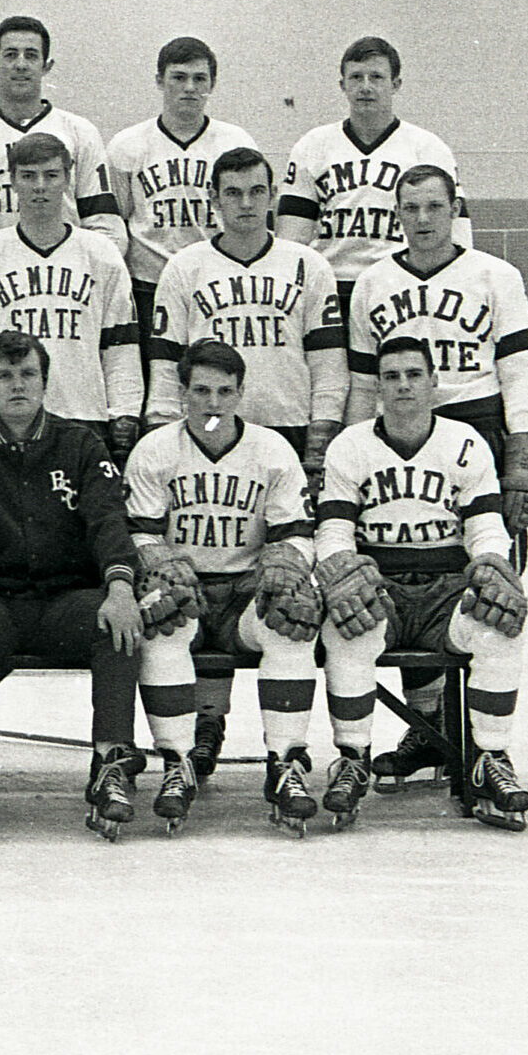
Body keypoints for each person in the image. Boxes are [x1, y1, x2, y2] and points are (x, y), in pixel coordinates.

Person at [0, 329, 144, 842]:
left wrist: (120, 586)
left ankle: (110, 763)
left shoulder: (81, 444)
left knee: (116, 626)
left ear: (45, 382)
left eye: (28, 375)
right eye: (5, 376)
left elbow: (108, 521)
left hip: (67, 601)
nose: (17, 386)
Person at [315, 335, 528, 832]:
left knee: (499, 625)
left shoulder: (464, 441)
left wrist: (494, 565)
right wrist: (341, 572)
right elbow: (333, 528)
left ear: (434, 382)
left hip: (446, 587)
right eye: (392, 376)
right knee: (347, 625)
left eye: (414, 374)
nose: (404, 385)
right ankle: (352, 757)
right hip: (381, 585)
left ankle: (490, 759)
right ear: (379, 387)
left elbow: (484, 525)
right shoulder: (351, 444)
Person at [126, 340, 324, 836]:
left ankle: (285, 763)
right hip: (185, 588)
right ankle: (177, 763)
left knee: (291, 624)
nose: (213, 403)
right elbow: (137, 529)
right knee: (162, 623)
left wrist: (286, 558)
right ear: (182, 392)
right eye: (202, 391)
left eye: (224, 392)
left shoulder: (272, 449)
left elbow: (298, 531)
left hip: (244, 591)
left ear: (240, 393)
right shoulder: (155, 449)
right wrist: (155, 556)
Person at [146, 147, 346, 477]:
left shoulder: (309, 265)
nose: (246, 204)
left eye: (257, 192)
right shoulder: (184, 266)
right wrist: (163, 427)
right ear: (214, 198)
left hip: (288, 422)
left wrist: (323, 425)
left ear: (273, 196)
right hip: (209, 426)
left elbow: (328, 361)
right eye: (233, 193)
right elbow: (166, 363)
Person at [0, 131, 141, 459]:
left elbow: (120, 348)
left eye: (51, 175)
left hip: (82, 416)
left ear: (68, 180)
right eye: (28, 176)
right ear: (12, 180)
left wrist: (124, 411)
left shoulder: (101, 254)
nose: (40, 186)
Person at [345, 164, 528, 475]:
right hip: (399, 430)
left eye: (434, 206)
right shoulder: (371, 282)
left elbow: (520, 374)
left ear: (454, 209)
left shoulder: (498, 276)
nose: (422, 219)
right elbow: (364, 384)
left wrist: (524, 452)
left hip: (477, 421)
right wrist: (352, 448)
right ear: (397, 212)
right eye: (411, 208)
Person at [276, 36, 464, 317]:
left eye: (376, 77)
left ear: (396, 84)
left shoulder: (428, 148)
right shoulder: (312, 146)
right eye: (356, 77)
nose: (365, 87)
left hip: (400, 283)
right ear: (343, 85)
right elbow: (291, 239)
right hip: (331, 287)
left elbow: (457, 236)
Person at [104, 36, 256, 365]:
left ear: (212, 84)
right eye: (179, 77)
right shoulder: (126, 145)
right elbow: (118, 218)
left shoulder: (234, 141)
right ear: (160, 81)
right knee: (156, 376)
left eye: (199, 79)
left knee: (214, 376)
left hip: (215, 281)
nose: (189, 88)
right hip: (149, 285)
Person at [0, 15, 123, 263]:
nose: (20, 64)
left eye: (30, 55)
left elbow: (104, 223)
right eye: (10, 55)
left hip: (64, 274)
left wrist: (90, 271)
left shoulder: (81, 133)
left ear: (46, 65)